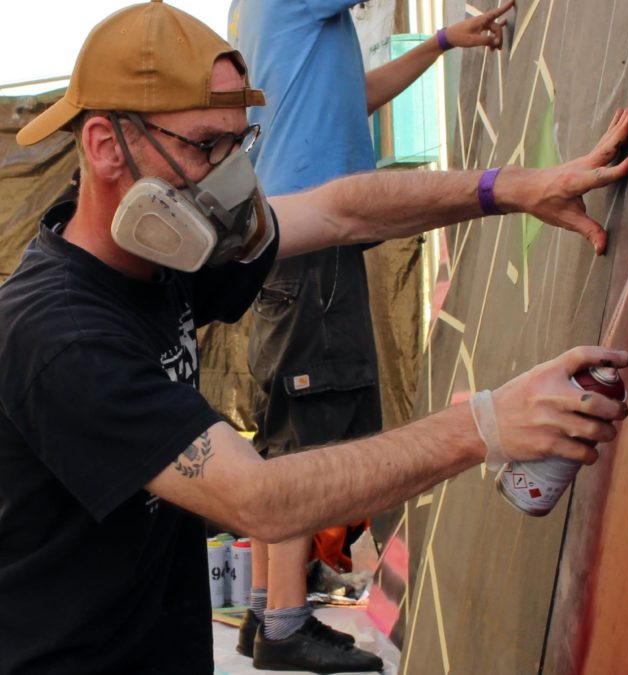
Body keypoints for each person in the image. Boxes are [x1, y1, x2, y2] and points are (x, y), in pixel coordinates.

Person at [0, 2, 628, 673]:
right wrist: (485, 425)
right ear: (106, 145)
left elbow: (338, 209)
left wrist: (514, 187)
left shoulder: (161, 251)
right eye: (204, 145)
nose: (229, 176)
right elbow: (259, 498)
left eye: (237, 144)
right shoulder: (61, 336)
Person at [226, 1, 515, 669]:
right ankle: (285, 626)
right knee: (312, 431)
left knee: (287, 431)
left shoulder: (265, 15)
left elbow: (354, 97)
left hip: (288, 237)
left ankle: (268, 608)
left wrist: (442, 40)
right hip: (314, 238)